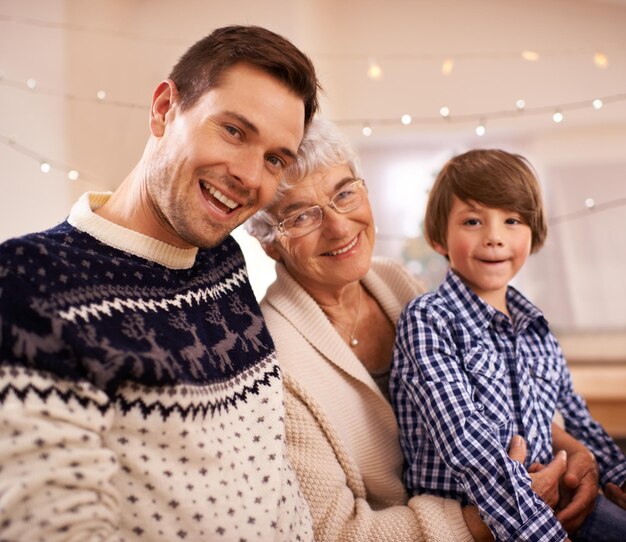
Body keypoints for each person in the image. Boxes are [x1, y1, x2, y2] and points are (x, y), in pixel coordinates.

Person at [0, 25, 320, 541]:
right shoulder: (28, 281)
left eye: (275, 158)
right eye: (234, 130)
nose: (248, 175)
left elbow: (269, 482)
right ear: (164, 108)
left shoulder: (224, 260)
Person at [244, 119, 596, 541]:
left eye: (344, 193)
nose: (339, 226)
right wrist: (484, 522)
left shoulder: (399, 284)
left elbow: (492, 394)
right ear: (267, 241)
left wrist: (573, 453)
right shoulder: (274, 361)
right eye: (301, 215)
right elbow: (334, 532)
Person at [390, 148, 626, 541]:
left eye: (512, 220)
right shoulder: (429, 319)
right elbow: (466, 442)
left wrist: (618, 474)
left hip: (557, 504)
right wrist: (542, 532)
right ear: (437, 237)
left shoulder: (536, 330)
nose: (494, 238)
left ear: (533, 233)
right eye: (472, 221)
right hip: (489, 521)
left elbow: (575, 416)